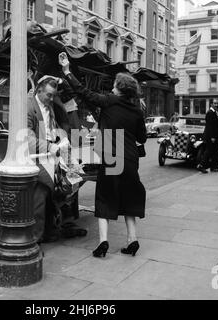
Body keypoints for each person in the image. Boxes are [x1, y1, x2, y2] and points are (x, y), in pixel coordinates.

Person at [59, 52, 147, 258]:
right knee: (129, 198)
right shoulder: (136, 110)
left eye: (114, 84)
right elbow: (142, 137)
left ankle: (103, 242)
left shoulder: (109, 101)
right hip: (130, 157)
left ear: (119, 88)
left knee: (105, 197)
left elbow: (82, 91)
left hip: (111, 153)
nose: (112, 87)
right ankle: (132, 240)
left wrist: (66, 70)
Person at [27, 76, 68, 243]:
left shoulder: (48, 106)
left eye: (53, 96)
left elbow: (50, 130)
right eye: (49, 95)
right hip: (35, 159)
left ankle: (48, 231)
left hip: (49, 157)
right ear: (39, 91)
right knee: (39, 198)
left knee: (50, 196)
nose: (51, 99)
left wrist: (60, 140)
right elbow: (27, 140)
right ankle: (34, 240)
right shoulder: (28, 106)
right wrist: (50, 147)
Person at [197, 99, 218, 174]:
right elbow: (210, 126)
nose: (216, 105)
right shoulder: (210, 113)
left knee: (215, 152)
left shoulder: (215, 112)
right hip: (211, 137)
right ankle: (201, 165)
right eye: (214, 103)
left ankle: (214, 167)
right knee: (209, 151)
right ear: (211, 104)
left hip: (216, 136)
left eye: (217, 103)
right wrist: (212, 137)